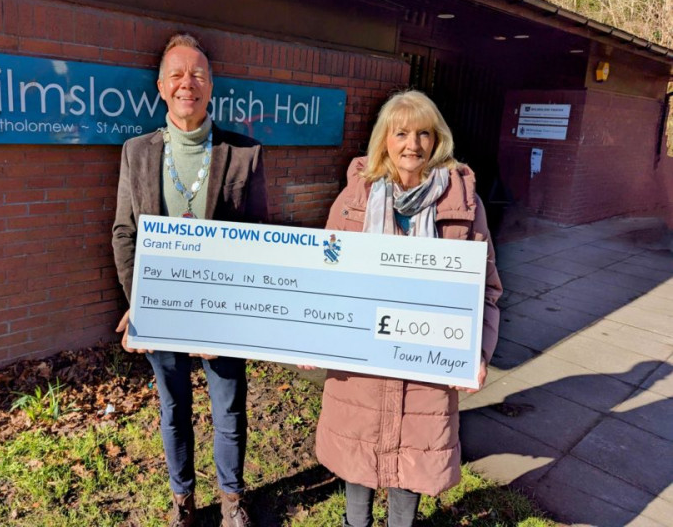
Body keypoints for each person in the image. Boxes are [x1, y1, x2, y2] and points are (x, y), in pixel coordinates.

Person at [309, 90, 502, 527]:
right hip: (361, 368)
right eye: (401, 133)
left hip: (425, 372)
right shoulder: (353, 200)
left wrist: (479, 353)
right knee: (357, 459)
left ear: (437, 141)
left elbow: (487, 290)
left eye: (423, 133)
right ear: (385, 139)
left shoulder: (464, 206)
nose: (411, 144)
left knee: (411, 464)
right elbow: (323, 279)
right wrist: (312, 335)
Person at [112, 33, 268, 527]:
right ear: (161, 87)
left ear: (211, 86)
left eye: (198, 74)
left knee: (229, 408)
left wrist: (233, 310)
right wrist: (139, 301)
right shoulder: (136, 153)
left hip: (221, 315)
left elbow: (258, 239)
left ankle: (231, 499)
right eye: (177, 75)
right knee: (173, 407)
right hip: (161, 311)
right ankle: (183, 501)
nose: (188, 84)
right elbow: (124, 231)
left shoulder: (244, 153)